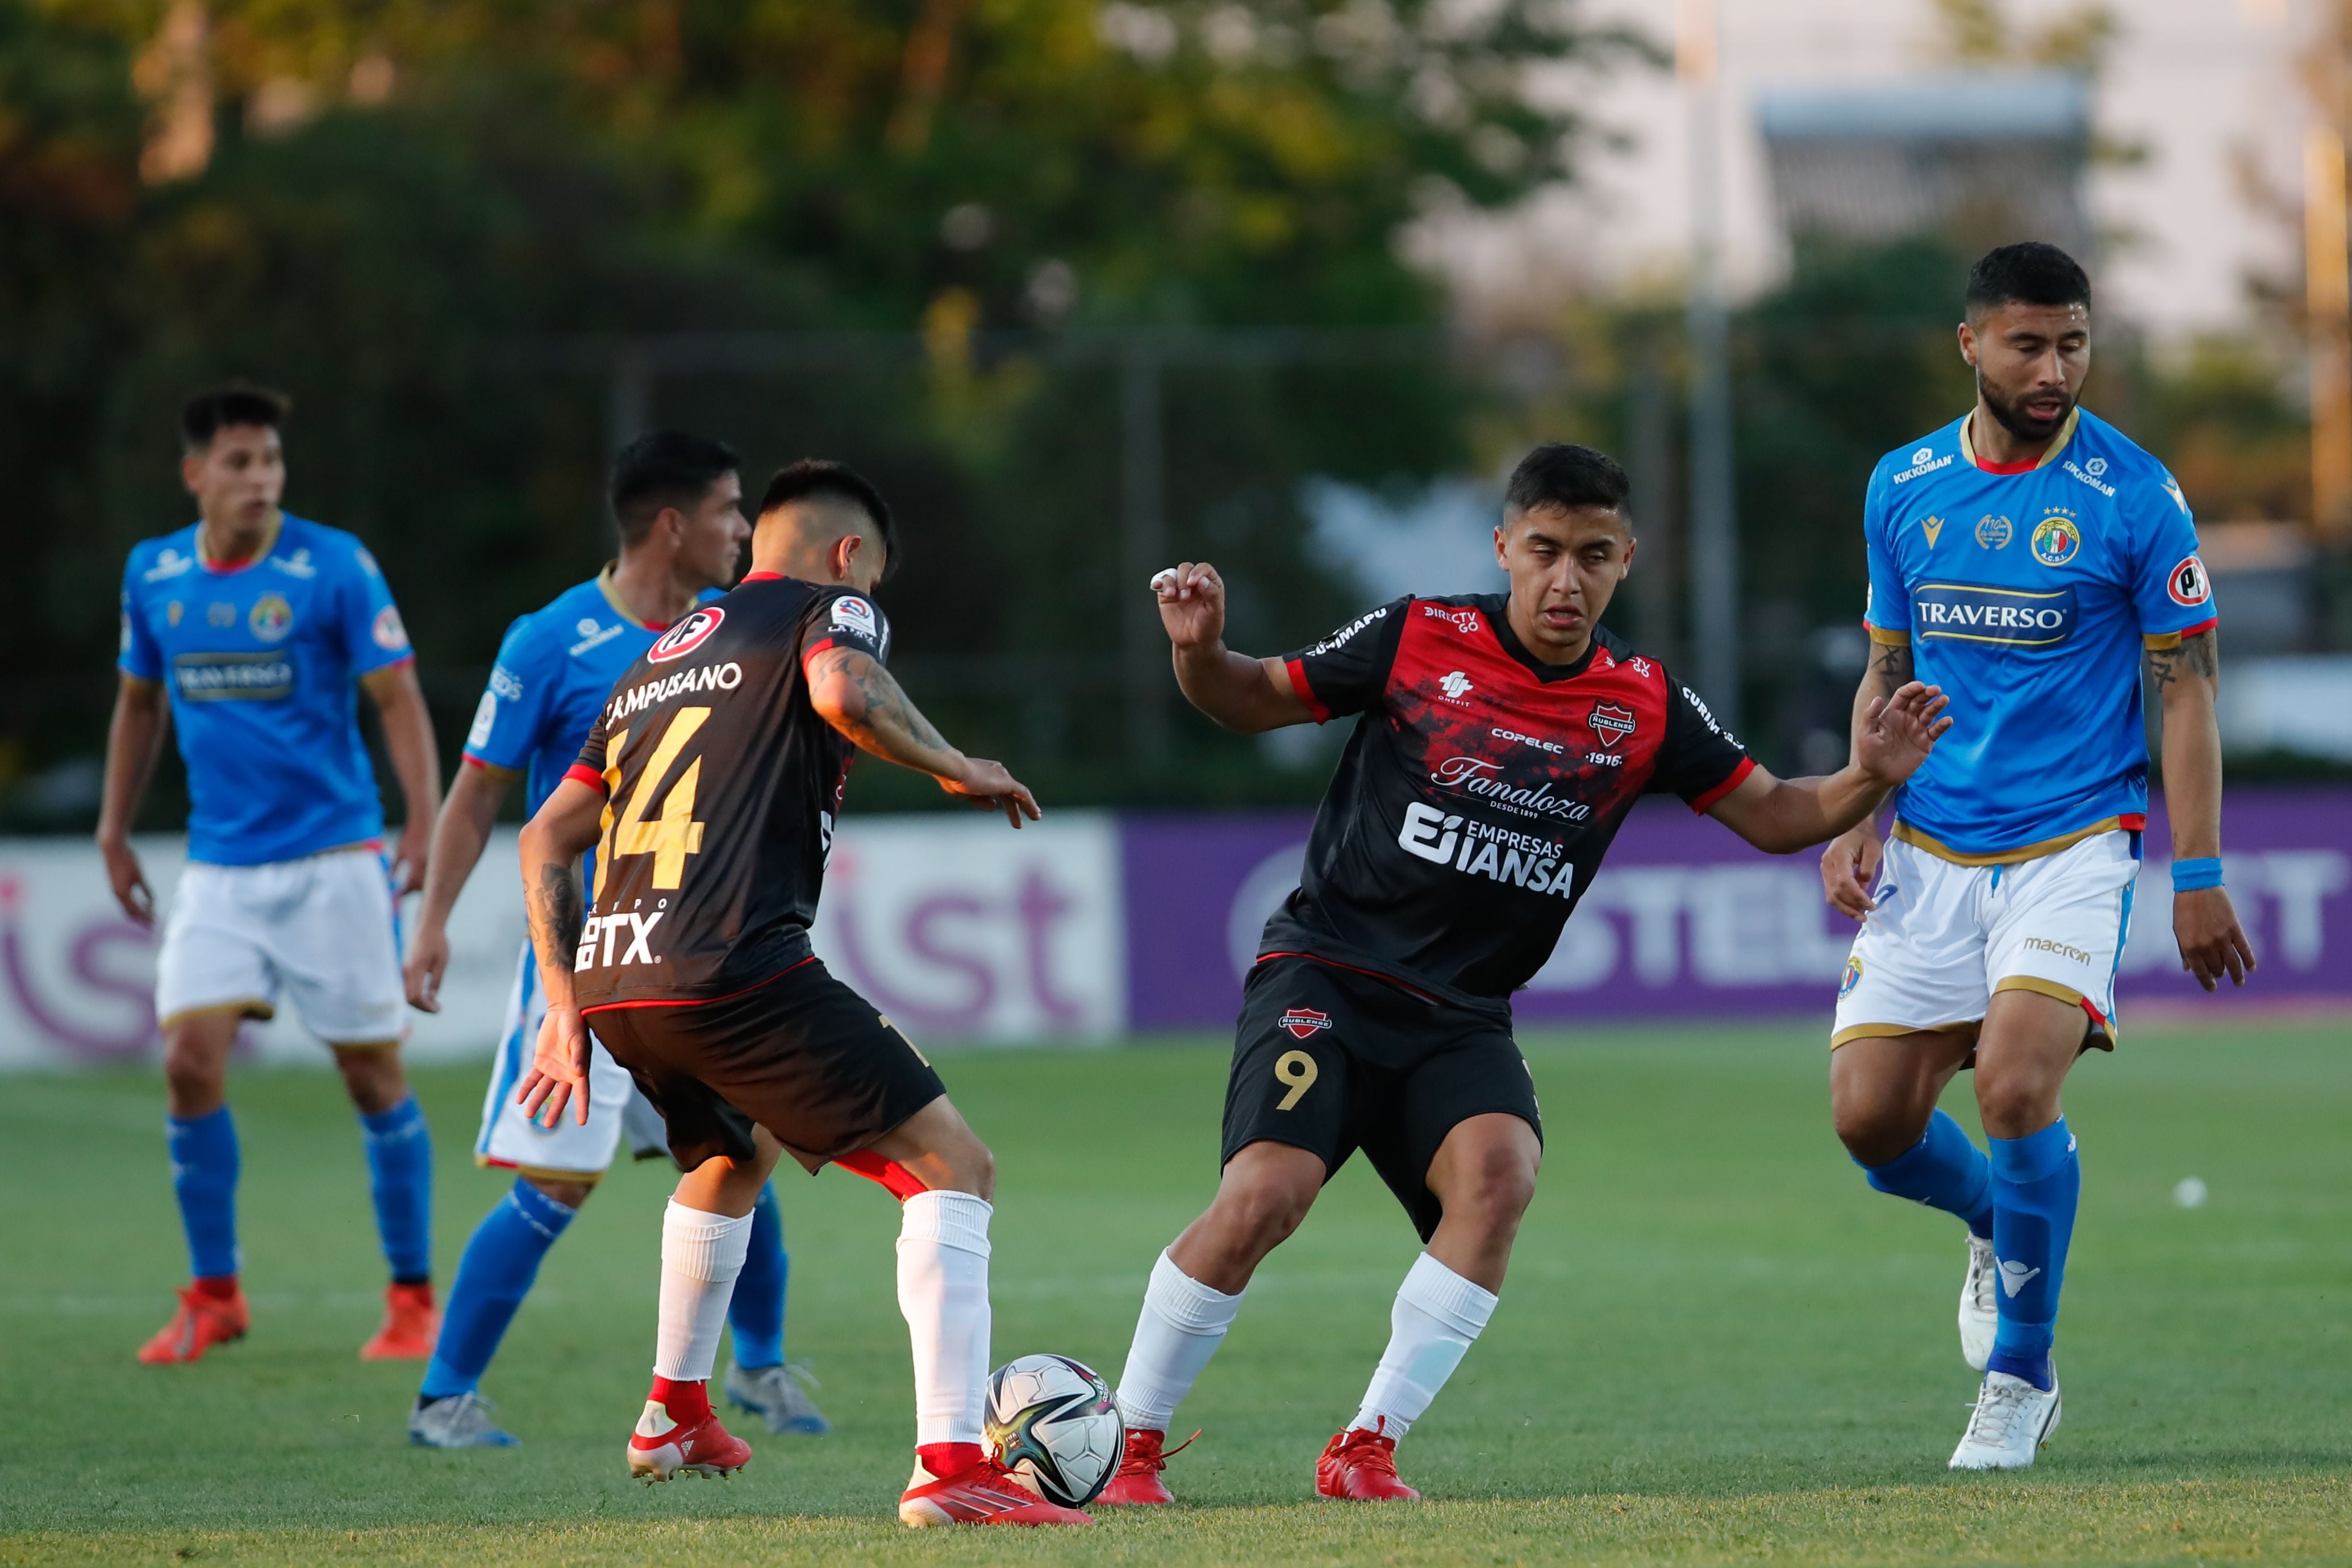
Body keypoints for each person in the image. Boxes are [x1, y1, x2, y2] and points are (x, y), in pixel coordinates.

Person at [1096, 443, 1951, 1505]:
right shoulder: (1418, 636)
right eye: (1543, 551)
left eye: (1593, 556)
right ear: (1503, 547)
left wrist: (1869, 777)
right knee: (1269, 1193)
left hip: (1461, 1016)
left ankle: (1367, 1446)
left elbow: (1776, 813)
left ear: (1625, 561)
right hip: (1329, 973)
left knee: (1499, 1177)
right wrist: (1198, 652)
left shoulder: (1642, 702)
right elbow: (1252, 698)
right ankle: (1125, 1446)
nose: (1565, 579)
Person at [512, 460, 1088, 1527]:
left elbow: (547, 835)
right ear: (847, 555)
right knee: (954, 1167)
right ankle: (952, 1474)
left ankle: (674, 1412)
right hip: (733, 967)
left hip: (621, 982)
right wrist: (955, 763)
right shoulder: (834, 610)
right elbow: (841, 691)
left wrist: (561, 1008)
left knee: (738, 1150)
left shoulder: (654, 664)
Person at [1818, 242, 2255, 1470]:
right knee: (1868, 1125)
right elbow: (1889, 668)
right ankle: (1993, 1218)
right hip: (1934, 840)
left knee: (2014, 1086)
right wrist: (1859, 806)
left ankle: (2021, 1375)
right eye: (2028, 344)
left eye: (2072, 343)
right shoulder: (1902, 486)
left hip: (2074, 839)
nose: (2055, 367)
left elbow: (2186, 695)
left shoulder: (2136, 497)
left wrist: (2201, 870)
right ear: (1972, 346)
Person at [403, 431, 824, 1449]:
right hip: (590, 964)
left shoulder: (740, 626)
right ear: (671, 526)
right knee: (555, 1182)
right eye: (730, 509)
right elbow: (477, 798)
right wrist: (432, 922)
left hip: (707, 957)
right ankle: (443, 1398)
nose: (744, 529)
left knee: (744, 1147)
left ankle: (761, 1370)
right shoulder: (550, 640)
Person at [102, 382, 443, 1365]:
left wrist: (418, 820)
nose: (262, 480)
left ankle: (413, 1297)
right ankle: (215, 1294)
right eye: (241, 463)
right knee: (186, 1062)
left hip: (334, 857)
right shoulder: (154, 573)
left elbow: (397, 695)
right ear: (196, 475)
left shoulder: (334, 565)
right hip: (218, 866)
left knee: (371, 1076)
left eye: (273, 462)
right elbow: (137, 707)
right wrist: (114, 831)